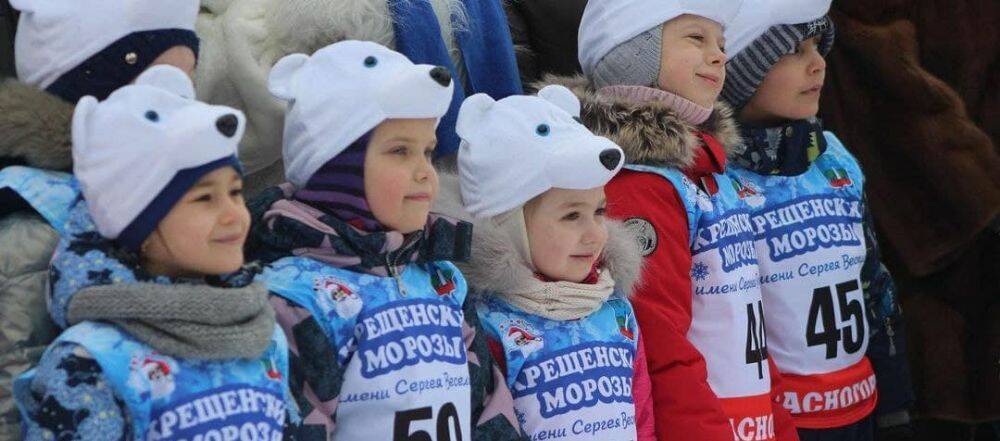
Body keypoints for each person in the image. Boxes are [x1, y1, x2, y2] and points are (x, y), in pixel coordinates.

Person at [246, 40, 523, 440]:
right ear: (338, 166)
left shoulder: (442, 278)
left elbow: (487, 407)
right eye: (400, 151)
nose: (426, 172)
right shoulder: (295, 297)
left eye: (427, 152)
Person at [9, 65, 293, 441]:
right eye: (205, 198)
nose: (234, 216)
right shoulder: (92, 362)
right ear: (139, 226)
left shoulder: (259, 330)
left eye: (236, 192)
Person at [722, 1, 915, 439]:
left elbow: (874, 282)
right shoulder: (719, 184)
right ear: (742, 71)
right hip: (779, 420)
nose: (818, 65)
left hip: (859, 408)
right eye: (795, 51)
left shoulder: (834, 158)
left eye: (818, 47)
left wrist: (896, 402)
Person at [437, 85, 655, 439]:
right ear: (508, 224)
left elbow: (641, 416)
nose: (594, 234)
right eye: (571, 216)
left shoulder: (615, 311)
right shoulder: (482, 324)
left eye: (599, 211)